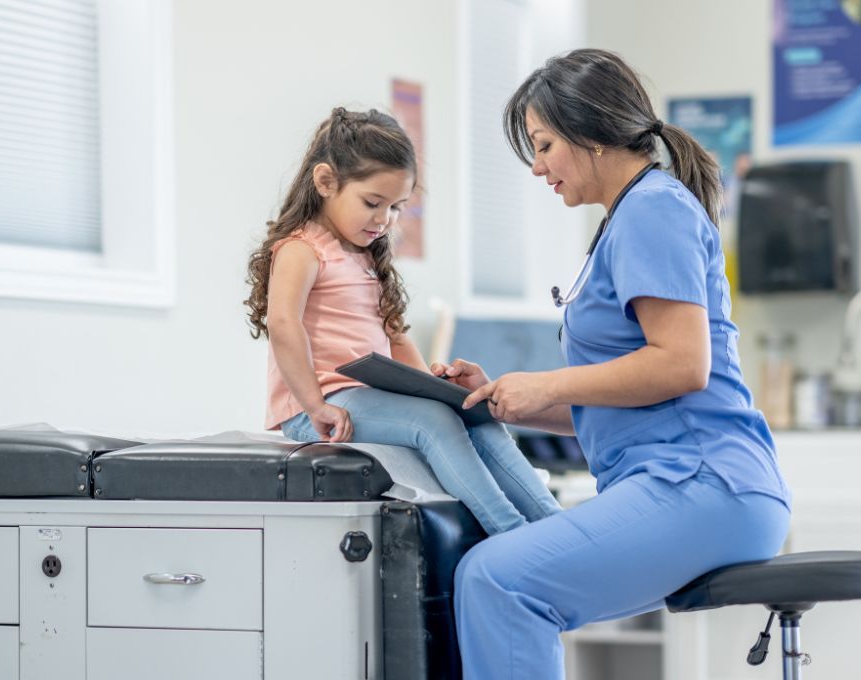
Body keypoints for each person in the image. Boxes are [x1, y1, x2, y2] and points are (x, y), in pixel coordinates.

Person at [438, 49, 793, 678]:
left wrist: (545, 382)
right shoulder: (631, 215)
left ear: (590, 135)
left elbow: (683, 366)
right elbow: (627, 402)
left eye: (544, 145)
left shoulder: (653, 208)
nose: (538, 167)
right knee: (498, 571)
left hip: (706, 481)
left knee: (499, 578)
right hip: (689, 481)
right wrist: (507, 400)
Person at [245, 107, 561, 536]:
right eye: (373, 204)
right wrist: (315, 405)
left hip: (368, 395)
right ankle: (511, 532)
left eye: (396, 207)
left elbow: (396, 338)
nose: (385, 220)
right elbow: (284, 325)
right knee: (433, 422)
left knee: (475, 414)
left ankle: (557, 527)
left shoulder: (366, 258)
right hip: (318, 403)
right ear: (325, 183)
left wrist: (437, 388)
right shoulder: (301, 250)